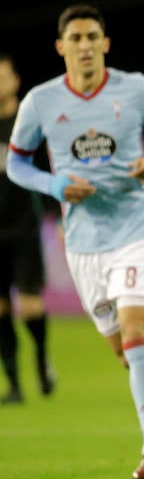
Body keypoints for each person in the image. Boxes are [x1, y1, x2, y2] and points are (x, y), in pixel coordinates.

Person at [6, 4, 144, 479]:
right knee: (128, 353)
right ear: (61, 47)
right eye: (76, 38)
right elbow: (17, 164)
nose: (85, 45)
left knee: (136, 329)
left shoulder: (137, 90)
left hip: (136, 230)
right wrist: (54, 185)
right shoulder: (40, 102)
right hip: (84, 243)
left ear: (105, 44)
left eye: (93, 36)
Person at [0, 53, 57, 405]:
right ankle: (14, 385)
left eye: (2, 76)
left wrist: (61, 212)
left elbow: (53, 167)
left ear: (15, 80)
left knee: (31, 306)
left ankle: (41, 358)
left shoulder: (30, 121)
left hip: (23, 229)